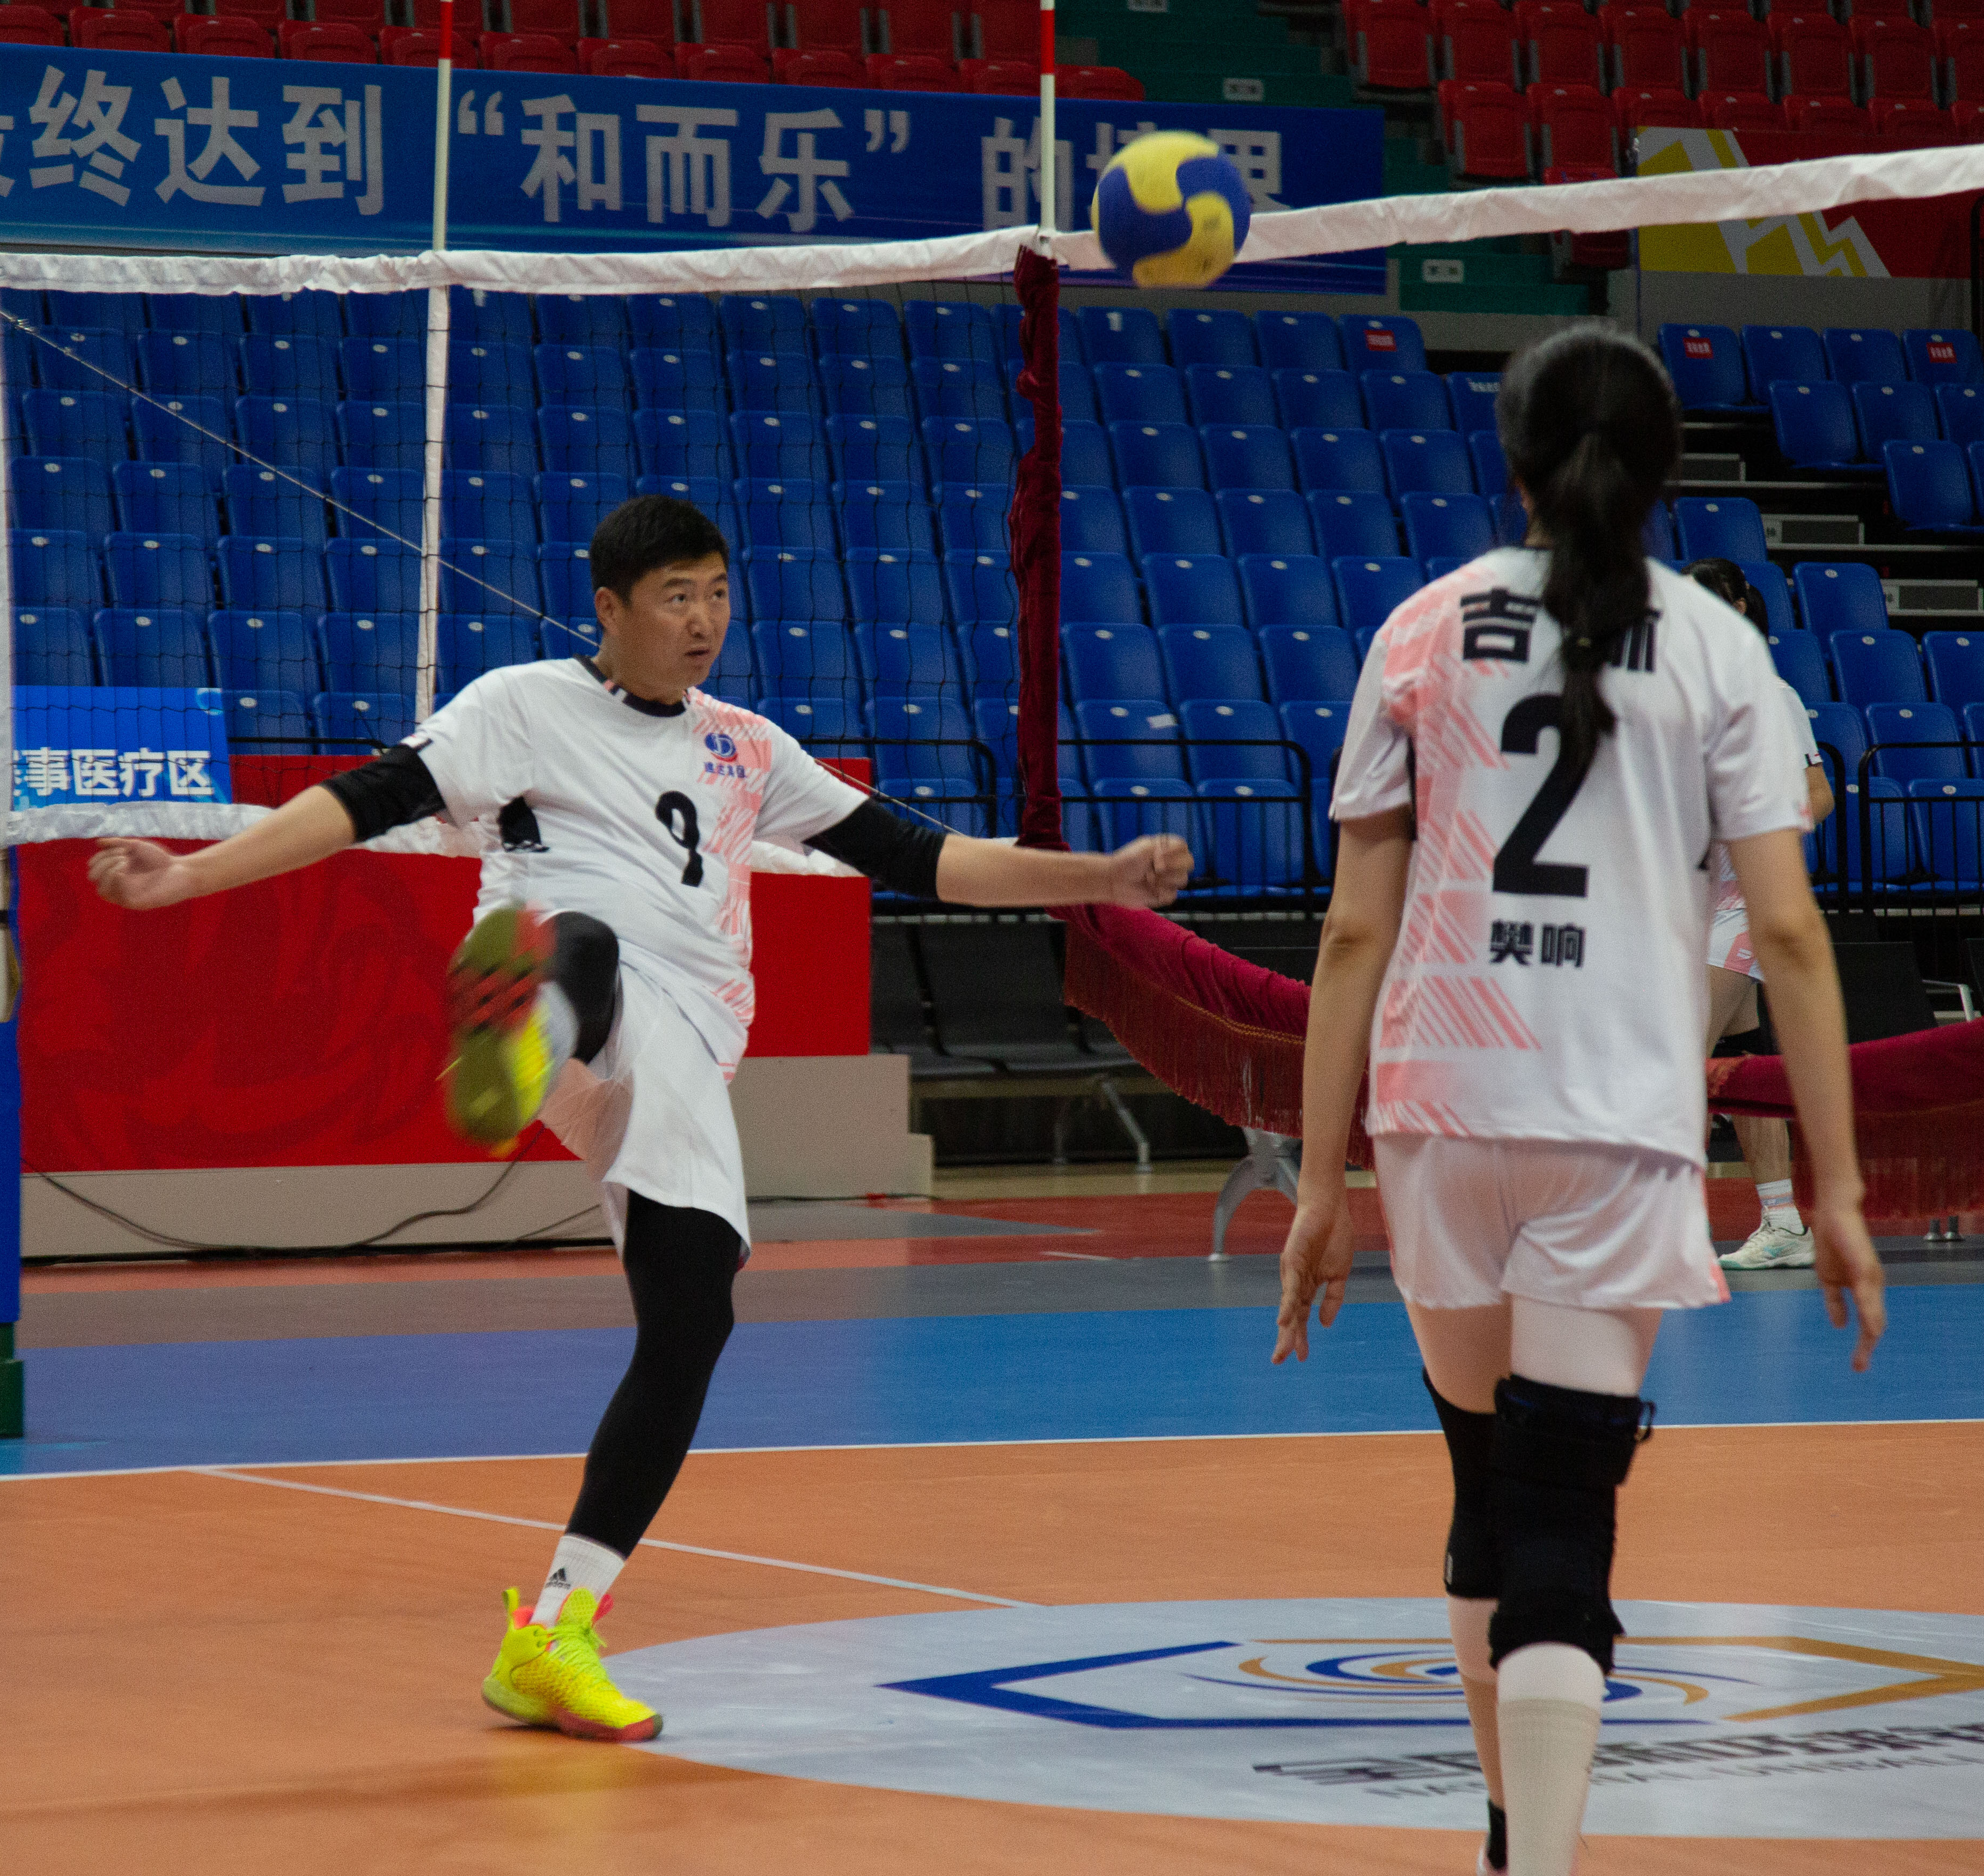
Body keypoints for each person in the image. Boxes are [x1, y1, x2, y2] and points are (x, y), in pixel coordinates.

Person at [87, 495, 1193, 1745]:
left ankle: (554, 1634)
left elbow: (925, 856)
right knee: (588, 941)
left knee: (694, 1314)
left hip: (680, 1056)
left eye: (717, 591)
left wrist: (1094, 882)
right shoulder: (518, 704)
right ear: (607, 609)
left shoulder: (747, 748)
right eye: (675, 596)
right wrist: (187, 875)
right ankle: (520, 1023)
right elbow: (365, 799)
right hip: (579, 976)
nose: (704, 620)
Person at [1268, 328, 1886, 1876]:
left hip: (1439, 1112)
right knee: (1565, 1512)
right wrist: (1830, 1189)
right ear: (1664, 466)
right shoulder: (1716, 649)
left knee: (1490, 1488)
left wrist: (1318, 1184)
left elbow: (1349, 932)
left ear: (1516, 464)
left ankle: (1507, 1836)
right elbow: (1790, 936)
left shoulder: (1420, 627)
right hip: (1614, 1120)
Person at [1678, 557, 1836, 1270]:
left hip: (1743, 901)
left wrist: (1757, 839)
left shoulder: (1767, 694)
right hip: (1692, 901)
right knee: (1736, 1066)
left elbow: (1818, 793)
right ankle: (1784, 1223)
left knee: (1678, 1061)